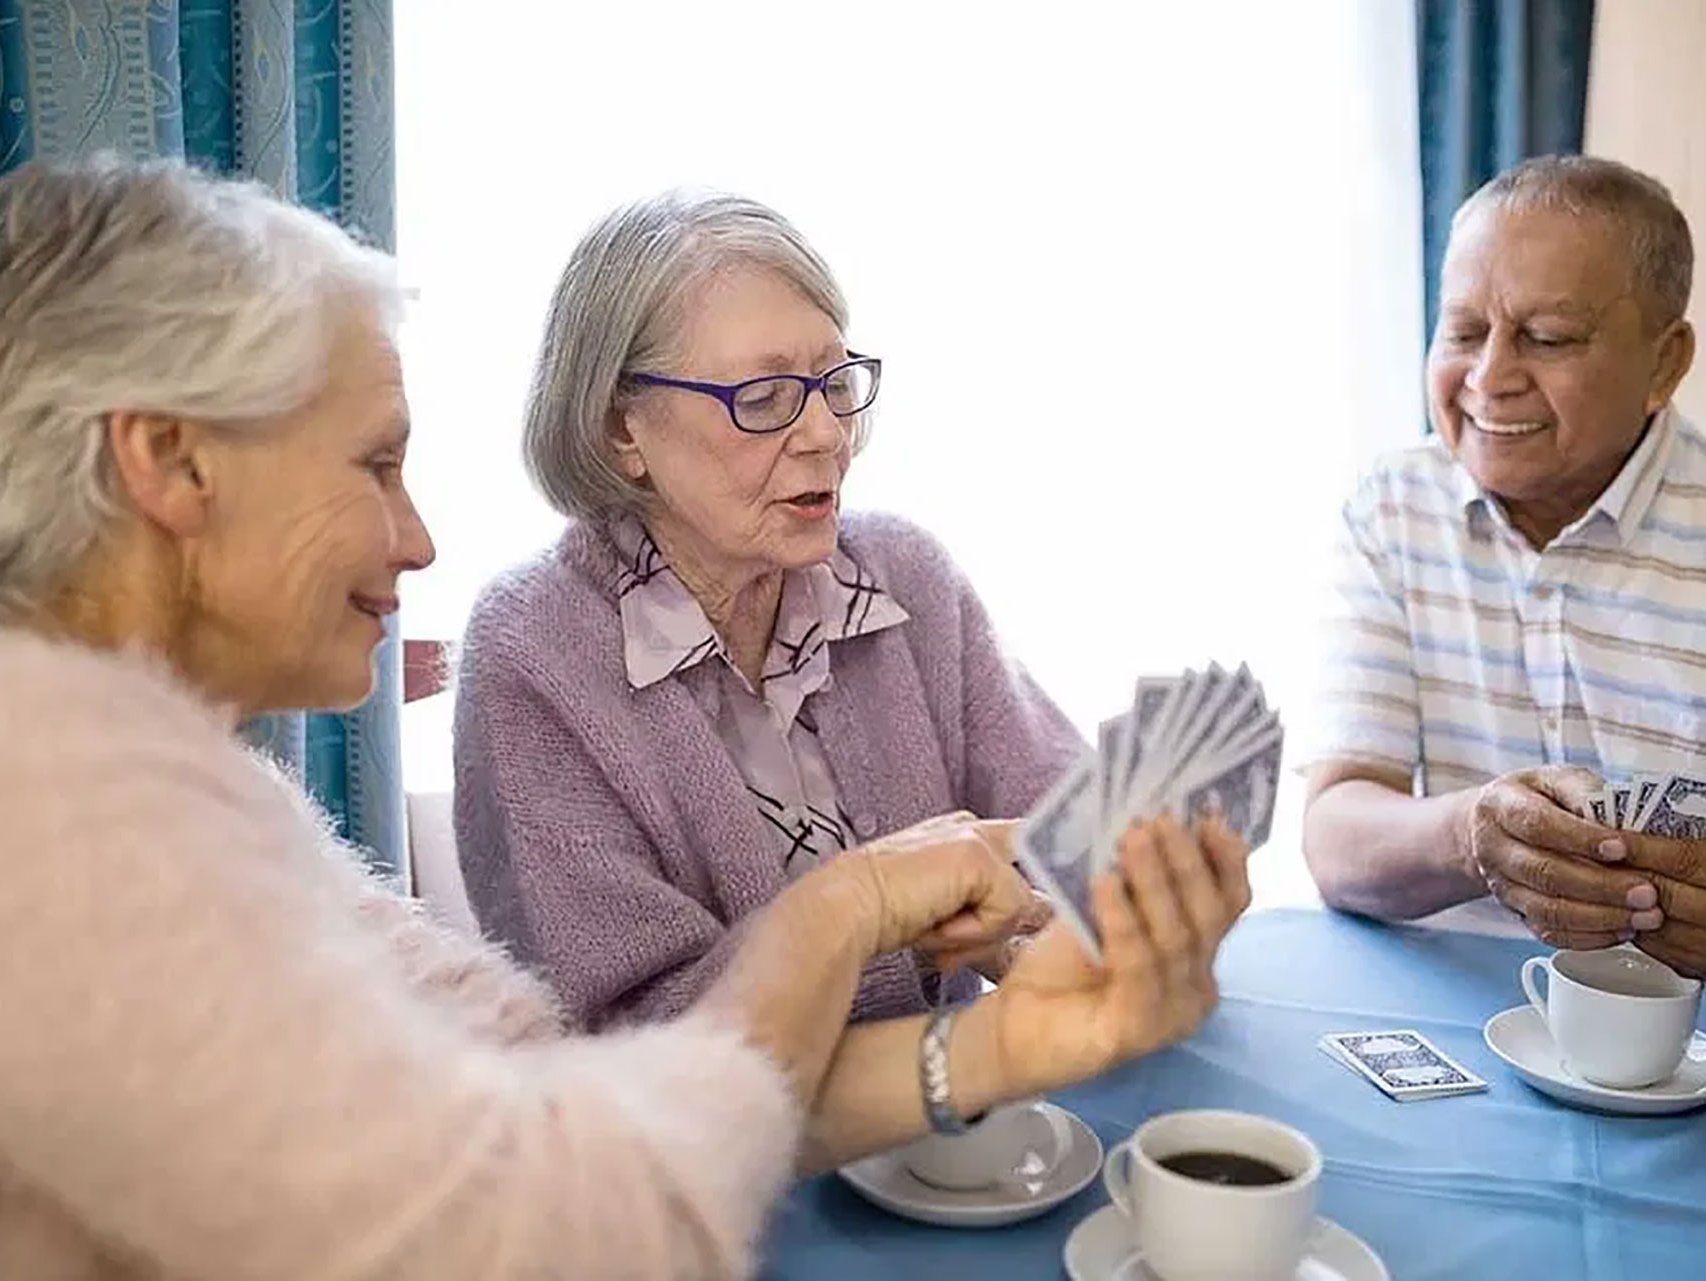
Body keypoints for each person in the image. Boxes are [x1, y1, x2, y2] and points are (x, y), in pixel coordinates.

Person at [0, 155, 1251, 1280]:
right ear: (169, 461)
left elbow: (565, 1094)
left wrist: (1001, 1042)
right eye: (374, 464)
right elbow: (555, 1219)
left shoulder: (193, 790)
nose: (418, 536)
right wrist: (863, 906)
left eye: (832, 384)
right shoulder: (61, 817)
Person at [454, 190, 1083, 1030]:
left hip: (948, 1144)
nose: (828, 433)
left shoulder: (906, 575)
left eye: (835, 382)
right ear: (620, 430)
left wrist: (1140, 864)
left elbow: (1067, 826)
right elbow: (635, 1040)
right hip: (706, 1155)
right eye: (764, 398)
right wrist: (912, 923)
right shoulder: (533, 653)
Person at [1302, 154, 1706, 977]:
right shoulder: (1392, 506)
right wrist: (1471, 834)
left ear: (1664, 364)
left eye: (1547, 338)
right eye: (1462, 331)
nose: (1488, 378)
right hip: (1450, 1007)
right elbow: (1336, 838)